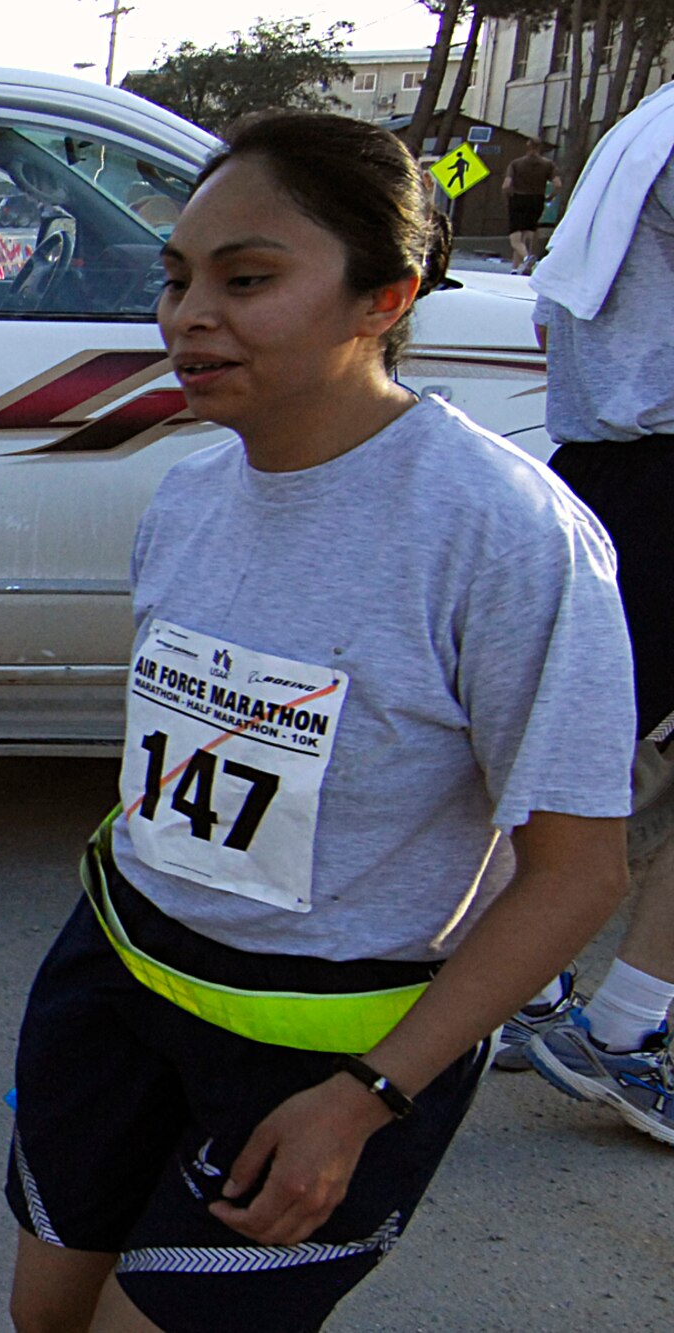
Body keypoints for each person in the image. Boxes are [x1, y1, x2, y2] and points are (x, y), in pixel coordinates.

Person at [5, 112, 634, 1333]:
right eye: (175, 277)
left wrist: (365, 1095)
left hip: (330, 1053)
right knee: (45, 1317)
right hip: (117, 986)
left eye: (247, 280)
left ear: (380, 299)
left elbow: (575, 873)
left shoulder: (505, 536)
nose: (189, 315)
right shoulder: (186, 497)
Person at [496, 84, 674, 1146]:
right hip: (656, 471)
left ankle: (539, 995)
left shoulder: (647, 119)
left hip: (614, 469)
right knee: (574, 758)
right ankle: (608, 1029)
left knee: (575, 754)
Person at [504, 138, 562, 275]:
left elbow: (506, 185)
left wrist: (508, 196)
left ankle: (527, 259)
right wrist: (551, 196)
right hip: (537, 199)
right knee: (527, 235)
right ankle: (515, 268)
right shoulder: (548, 165)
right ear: (540, 148)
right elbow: (558, 184)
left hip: (518, 198)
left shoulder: (516, 164)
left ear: (527, 147)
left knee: (515, 239)